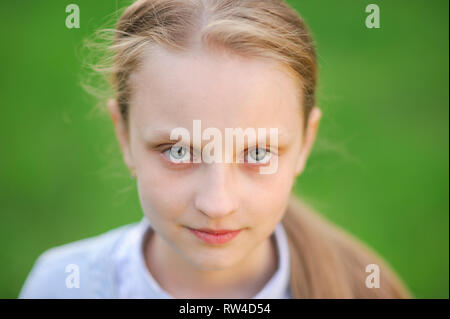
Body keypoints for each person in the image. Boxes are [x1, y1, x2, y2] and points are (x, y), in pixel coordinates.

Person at [19, 0, 411, 298]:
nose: (217, 204)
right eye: (178, 151)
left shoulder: (363, 287)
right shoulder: (62, 284)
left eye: (257, 154)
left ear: (306, 142)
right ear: (123, 135)